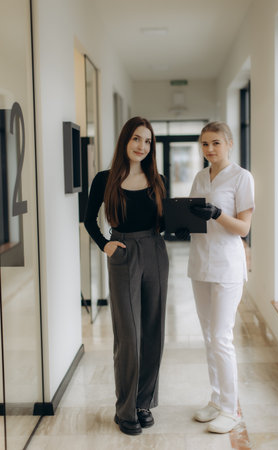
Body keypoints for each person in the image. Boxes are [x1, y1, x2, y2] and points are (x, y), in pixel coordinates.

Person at [84, 116, 169, 436]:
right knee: (129, 336)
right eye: (136, 139)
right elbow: (88, 218)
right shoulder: (104, 179)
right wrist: (105, 244)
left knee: (152, 331)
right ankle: (125, 408)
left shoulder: (158, 179)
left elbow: (165, 222)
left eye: (147, 141)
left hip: (155, 251)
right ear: (125, 141)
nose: (142, 146)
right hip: (122, 253)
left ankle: (144, 402)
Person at [184, 121, 254, 434]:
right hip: (200, 263)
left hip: (227, 266)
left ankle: (231, 408)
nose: (209, 149)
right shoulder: (200, 176)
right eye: (204, 144)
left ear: (229, 144)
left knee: (222, 338)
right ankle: (216, 400)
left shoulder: (242, 177)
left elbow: (243, 228)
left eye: (215, 143)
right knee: (209, 335)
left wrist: (216, 214)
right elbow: (191, 216)